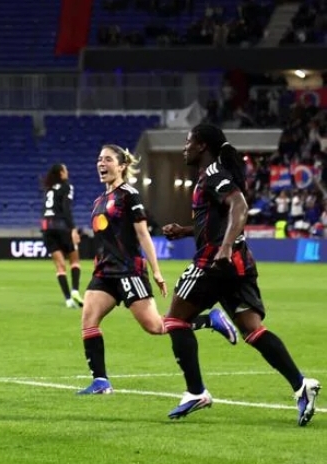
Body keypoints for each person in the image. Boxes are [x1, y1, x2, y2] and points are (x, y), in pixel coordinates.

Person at [163, 124, 320, 425]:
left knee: (174, 320)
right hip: (237, 263)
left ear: (202, 146)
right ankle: (302, 386)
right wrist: (185, 230)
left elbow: (239, 206)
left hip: (214, 263)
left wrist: (222, 249)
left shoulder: (213, 175)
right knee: (253, 330)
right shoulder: (209, 177)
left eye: (188, 142)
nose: (184, 148)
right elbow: (217, 218)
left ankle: (196, 391)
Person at [77, 145, 238, 395]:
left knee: (156, 326)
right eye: (99, 159)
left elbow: (143, 235)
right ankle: (100, 381)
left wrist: (157, 271)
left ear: (121, 166)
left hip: (128, 271)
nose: (102, 163)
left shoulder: (129, 195)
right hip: (104, 273)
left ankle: (210, 320)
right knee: (88, 319)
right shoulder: (100, 201)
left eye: (108, 159)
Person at [41, 163, 83, 308]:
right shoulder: (66, 186)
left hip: (47, 227)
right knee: (75, 260)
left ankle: (68, 300)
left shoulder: (48, 189)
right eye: (65, 170)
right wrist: (72, 229)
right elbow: (66, 208)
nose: (67, 172)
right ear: (61, 173)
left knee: (60, 266)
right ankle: (75, 291)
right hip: (61, 226)